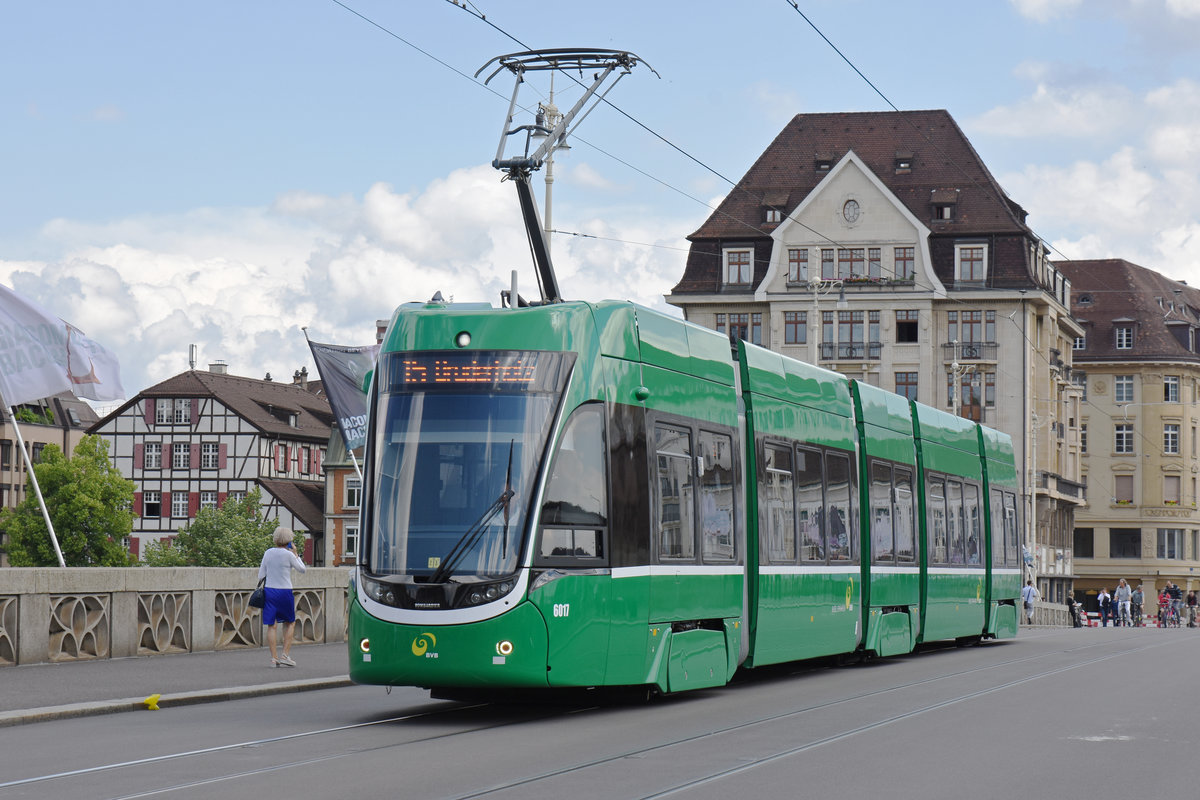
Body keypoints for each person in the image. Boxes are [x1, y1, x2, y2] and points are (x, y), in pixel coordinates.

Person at [258, 526, 307, 667]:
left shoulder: (268, 553)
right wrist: (296, 554)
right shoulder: (289, 555)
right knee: (290, 622)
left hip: (270, 591)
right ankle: (285, 655)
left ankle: (274, 658)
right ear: (289, 540)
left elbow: (261, 574)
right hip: (285, 591)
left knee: (271, 625)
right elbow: (302, 569)